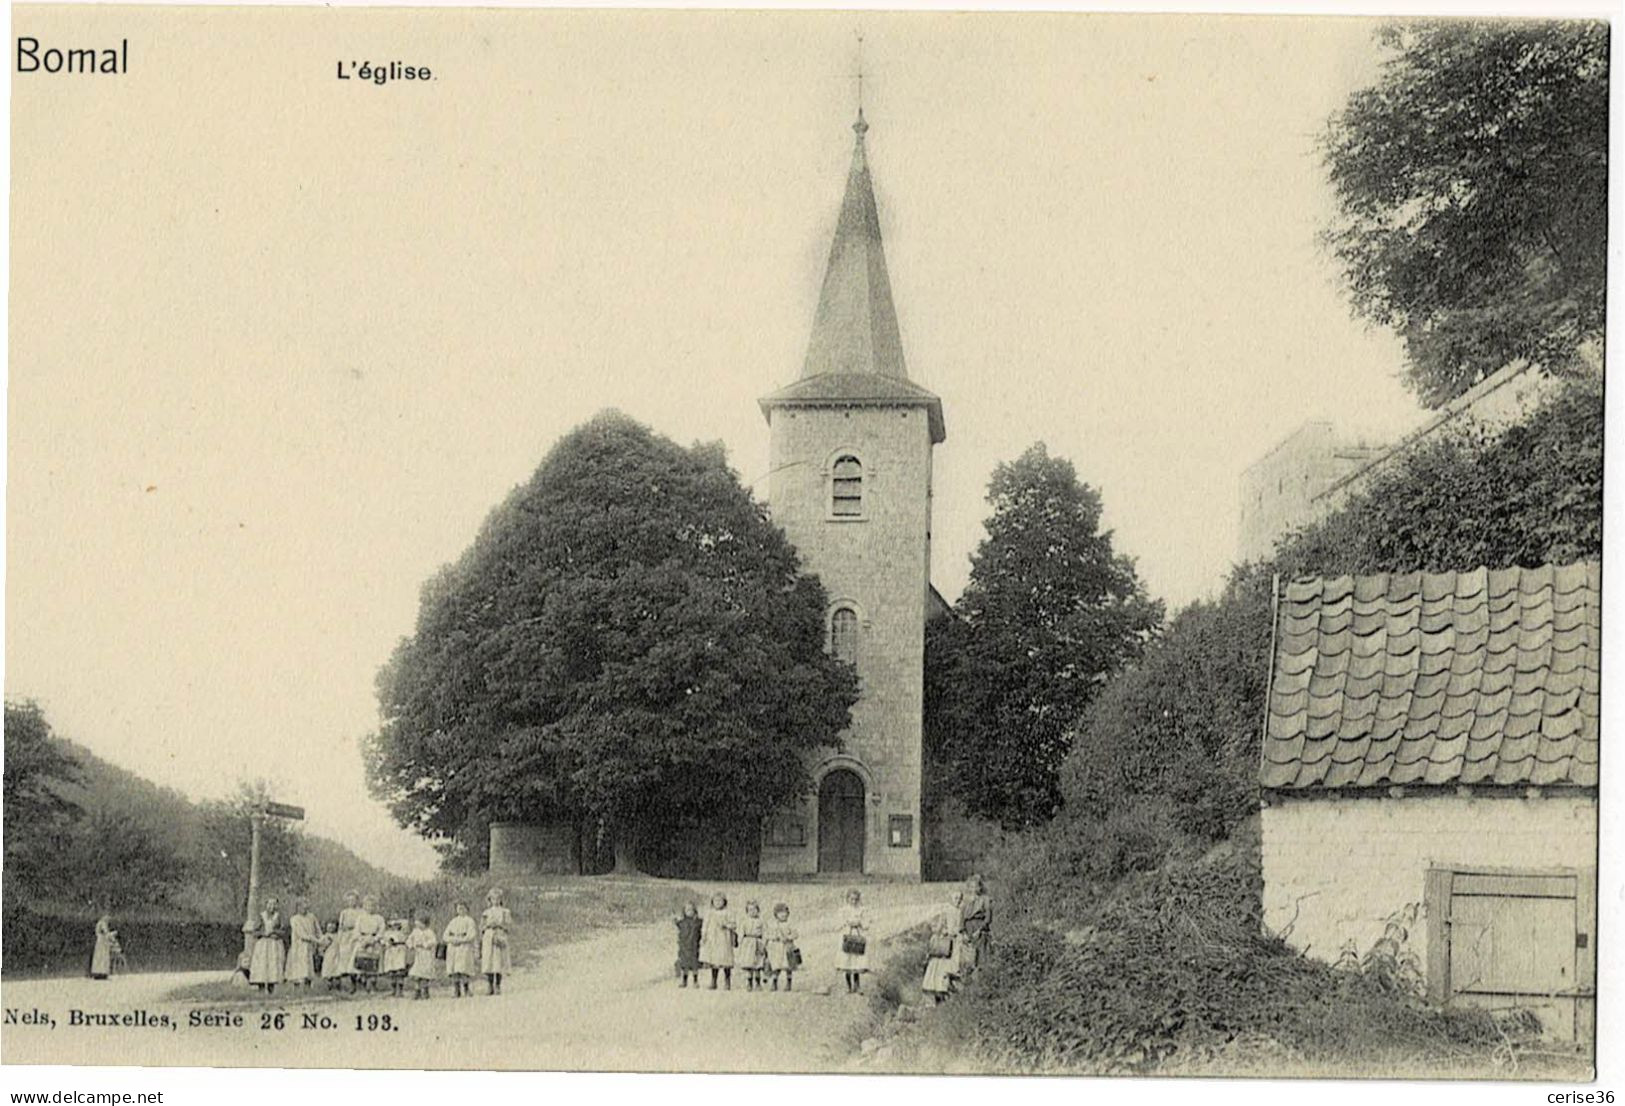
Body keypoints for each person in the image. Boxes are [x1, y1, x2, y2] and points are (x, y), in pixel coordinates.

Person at [921, 890, 965, 1003]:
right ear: (951, 899)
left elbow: (961, 927)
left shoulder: (961, 911)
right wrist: (943, 931)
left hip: (957, 941)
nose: (958, 901)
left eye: (959, 899)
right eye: (956, 898)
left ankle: (947, 990)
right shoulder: (947, 911)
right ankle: (938, 990)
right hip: (948, 941)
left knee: (954, 964)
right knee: (941, 964)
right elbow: (941, 926)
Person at [246, 896, 287, 993]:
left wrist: (275, 933)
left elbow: (283, 931)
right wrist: (263, 933)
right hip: (263, 945)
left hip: (274, 944)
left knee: (273, 965)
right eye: (269, 904)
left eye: (274, 904)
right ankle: (261, 987)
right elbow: (254, 932)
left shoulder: (278, 916)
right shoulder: (261, 916)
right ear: (266, 905)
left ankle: (271, 988)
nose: (272, 907)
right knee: (262, 965)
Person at [699, 891, 736, 990]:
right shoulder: (710, 913)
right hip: (713, 939)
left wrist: (726, 925)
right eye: (716, 901)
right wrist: (704, 936)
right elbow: (705, 926)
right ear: (712, 902)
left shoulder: (728, 912)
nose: (718, 903)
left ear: (724, 902)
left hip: (724, 939)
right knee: (714, 961)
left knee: (726, 960)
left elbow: (733, 925)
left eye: (720, 901)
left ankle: (727, 981)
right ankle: (713, 981)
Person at [351, 894, 387, 993]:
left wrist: (374, 939)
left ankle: (373, 985)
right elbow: (356, 930)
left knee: (374, 964)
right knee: (362, 963)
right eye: (367, 905)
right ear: (364, 906)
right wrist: (362, 939)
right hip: (363, 941)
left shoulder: (379, 918)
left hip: (374, 941)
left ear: (375, 907)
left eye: (372, 906)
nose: (370, 908)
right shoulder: (360, 918)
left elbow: (382, 930)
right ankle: (364, 983)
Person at [442, 901, 479, 997]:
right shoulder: (453, 921)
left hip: (464, 946)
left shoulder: (469, 921)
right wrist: (452, 940)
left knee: (464, 968)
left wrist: (462, 940)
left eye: (463, 908)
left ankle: (466, 988)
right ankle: (456, 989)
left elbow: (472, 934)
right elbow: (445, 934)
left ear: (467, 909)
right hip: (453, 946)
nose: (461, 910)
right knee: (454, 969)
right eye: (459, 908)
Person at [480, 887, 512, 995]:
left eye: (498, 898)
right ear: (490, 900)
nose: (496, 901)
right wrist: (487, 926)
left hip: (500, 934)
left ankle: (497, 984)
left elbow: (508, 926)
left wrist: (499, 925)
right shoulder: (486, 912)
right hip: (489, 936)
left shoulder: (505, 912)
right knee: (489, 961)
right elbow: (482, 927)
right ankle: (489, 985)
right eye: (493, 899)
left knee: (498, 961)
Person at [837, 888, 868, 994]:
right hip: (847, 935)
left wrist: (860, 923)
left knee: (856, 961)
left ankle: (857, 985)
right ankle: (848, 986)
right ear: (847, 899)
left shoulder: (861, 910)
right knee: (847, 961)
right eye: (851, 899)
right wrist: (847, 922)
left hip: (857, 934)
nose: (854, 902)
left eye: (856, 899)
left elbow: (866, 924)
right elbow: (838, 924)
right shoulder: (843, 911)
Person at [285, 898, 320, 990]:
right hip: (299, 946)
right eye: (301, 906)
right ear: (298, 907)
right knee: (299, 967)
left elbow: (318, 930)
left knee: (308, 966)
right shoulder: (294, 919)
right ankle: (297, 989)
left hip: (309, 946)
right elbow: (302, 934)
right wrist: (316, 940)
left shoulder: (312, 917)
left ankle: (308, 988)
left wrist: (322, 939)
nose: (304, 908)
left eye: (306, 906)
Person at [961, 874, 993, 973]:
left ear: (980, 887)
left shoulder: (985, 899)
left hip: (979, 927)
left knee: (980, 954)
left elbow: (988, 918)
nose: (974, 889)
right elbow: (961, 917)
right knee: (968, 955)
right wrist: (963, 932)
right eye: (971, 886)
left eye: (976, 886)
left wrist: (980, 930)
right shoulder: (966, 900)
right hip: (968, 928)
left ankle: (981, 978)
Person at [765, 902, 799, 992]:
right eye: (780, 913)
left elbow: (795, 934)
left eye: (785, 912)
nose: (783, 915)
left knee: (788, 966)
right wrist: (775, 937)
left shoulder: (790, 924)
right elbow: (768, 935)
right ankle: (774, 983)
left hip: (788, 947)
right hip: (777, 949)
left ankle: (789, 983)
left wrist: (788, 937)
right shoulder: (773, 925)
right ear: (776, 915)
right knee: (776, 966)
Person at [736, 900, 768, 991]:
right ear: (747, 911)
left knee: (757, 964)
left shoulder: (761, 922)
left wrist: (764, 943)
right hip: (748, 944)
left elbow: (765, 933)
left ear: (758, 910)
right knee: (748, 964)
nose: (752, 912)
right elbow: (741, 932)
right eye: (750, 910)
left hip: (757, 942)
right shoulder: (744, 921)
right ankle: (749, 983)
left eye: (754, 909)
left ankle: (758, 983)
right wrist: (741, 942)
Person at [335, 889, 363, 990]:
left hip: (356, 935)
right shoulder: (344, 912)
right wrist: (339, 938)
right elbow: (340, 926)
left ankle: (358, 981)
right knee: (345, 959)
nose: (351, 902)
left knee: (355, 958)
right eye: (349, 900)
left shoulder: (361, 912)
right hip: (346, 936)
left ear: (357, 900)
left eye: (353, 900)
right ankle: (347, 983)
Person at [407, 910, 438, 1000]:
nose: (418, 924)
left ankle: (425, 990)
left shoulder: (429, 932)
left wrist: (425, 944)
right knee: (416, 974)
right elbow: (409, 940)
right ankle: (417, 990)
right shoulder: (415, 932)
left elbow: (433, 942)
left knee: (424, 974)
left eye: (420, 922)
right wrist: (411, 945)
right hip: (418, 955)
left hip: (426, 955)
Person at [673, 902, 703, 989]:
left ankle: (695, 981)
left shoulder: (698, 922)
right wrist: (675, 919)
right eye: (687, 910)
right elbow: (677, 924)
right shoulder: (682, 922)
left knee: (694, 965)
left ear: (694, 911)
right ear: (684, 911)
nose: (689, 912)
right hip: (684, 946)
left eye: (691, 910)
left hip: (694, 946)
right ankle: (684, 980)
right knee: (685, 964)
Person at [381, 917, 411, 997]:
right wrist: (387, 943)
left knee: (399, 971)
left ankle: (400, 990)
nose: (394, 927)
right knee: (391, 972)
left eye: (396, 925)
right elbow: (383, 941)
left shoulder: (402, 933)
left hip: (399, 951)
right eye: (392, 925)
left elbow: (405, 941)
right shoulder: (387, 933)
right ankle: (393, 990)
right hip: (390, 952)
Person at [89, 914, 118, 980]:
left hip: (100, 942)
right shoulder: (102, 923)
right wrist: (114, 933)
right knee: (102, 957)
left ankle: (98, 973)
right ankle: (101, 973)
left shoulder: (99, 923)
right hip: (102, 942)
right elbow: (106, 933)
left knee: (99, 958)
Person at [319, 919, 346, 990]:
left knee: (337, 969)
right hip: (329, 955)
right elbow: (321, 946)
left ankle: (337, 985)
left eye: (333, 925)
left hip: (337, 955)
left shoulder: (338, 936)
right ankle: (329, 985)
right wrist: (323, 949)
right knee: (329, 969)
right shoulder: (325, 936)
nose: (331, 927)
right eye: (329, 926)